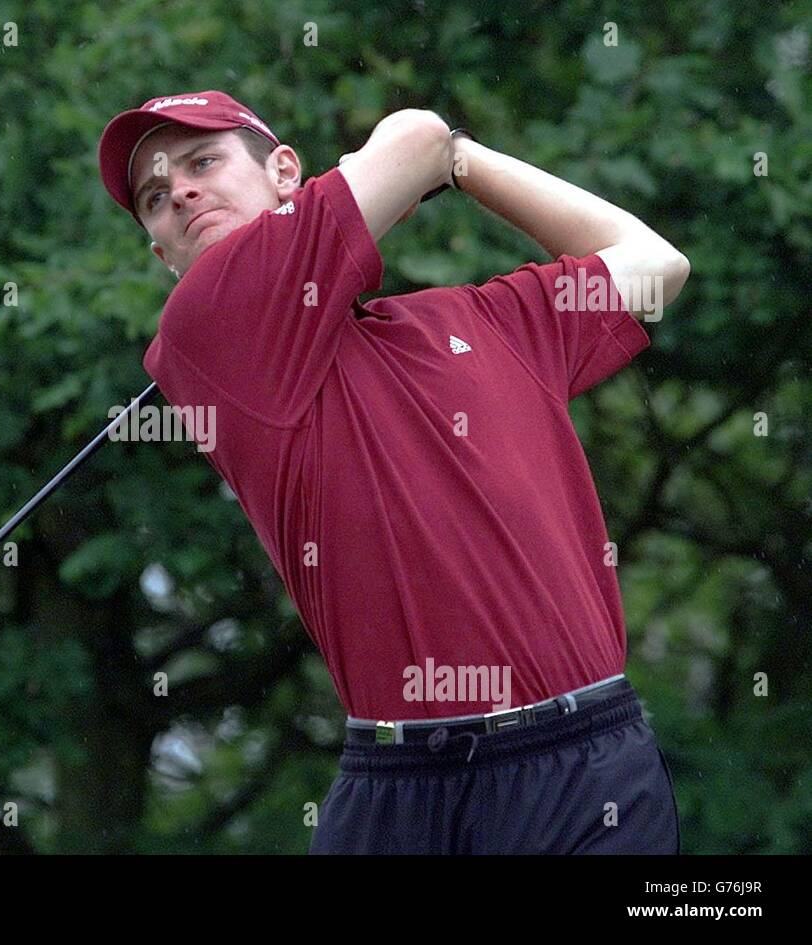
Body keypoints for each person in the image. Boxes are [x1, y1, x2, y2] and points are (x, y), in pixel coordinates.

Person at [97, 90, 689, 854]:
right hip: (404, 789)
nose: (178, 190)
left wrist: (464, 163)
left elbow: (654, 266)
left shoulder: (476, 320)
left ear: (285, 172)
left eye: (202, 161)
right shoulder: (203, 330)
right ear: (163, 255)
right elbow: (415, 137)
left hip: (584, 766)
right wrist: (429, 164)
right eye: (154, 196)